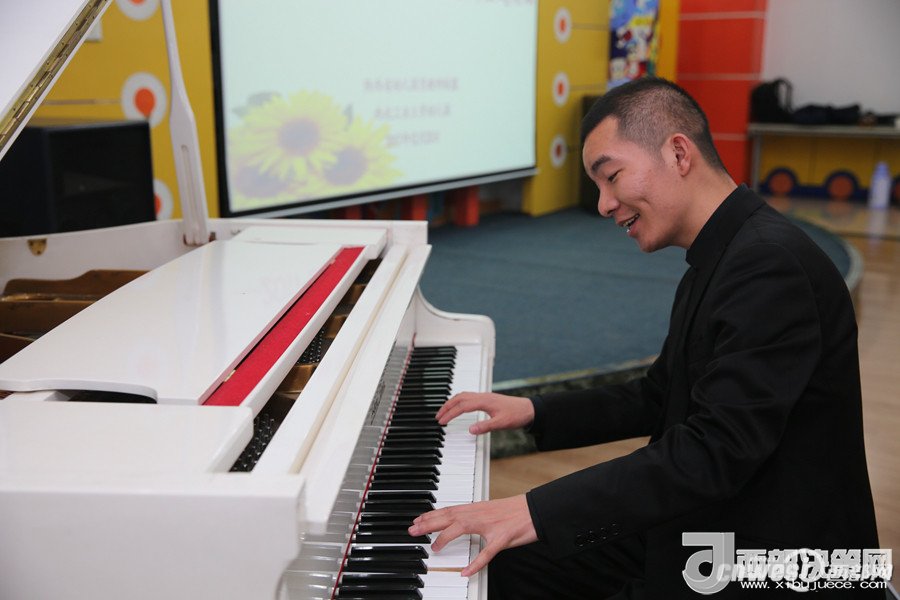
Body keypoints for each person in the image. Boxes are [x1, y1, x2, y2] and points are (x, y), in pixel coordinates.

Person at [408, 77, 881, 598]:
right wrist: (534, 410)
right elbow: (660, 395)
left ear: (678, 153)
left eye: (611, 177)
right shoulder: (725, 253)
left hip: (777, 558)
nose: (603, 204)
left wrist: (533, 510)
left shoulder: (769, 266)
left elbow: (714, 452)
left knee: (520, 552)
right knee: (501, 565)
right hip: (717, 523)